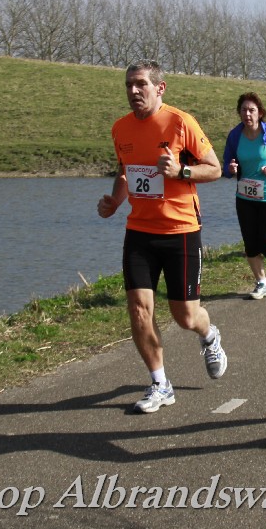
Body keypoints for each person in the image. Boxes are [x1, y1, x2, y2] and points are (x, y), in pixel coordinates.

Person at [96, 60, 228, 413]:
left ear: (160, 87)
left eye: (141, 84)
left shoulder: (181, 122)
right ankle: (160, 384)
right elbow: (125, 172)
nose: (133, 91)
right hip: (139, 231)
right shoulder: (120, 128)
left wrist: (181, 171)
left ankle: (209, 335)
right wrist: (114, 201)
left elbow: (215, 169)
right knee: (139, 310)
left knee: (185, 316)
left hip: (180, 230)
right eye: (129, 85)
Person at [222, 92, 266, 299]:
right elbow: (226, 165)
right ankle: (262, 283)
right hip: (245, 197)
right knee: (250, 245)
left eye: (251, 110)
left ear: (260, 113)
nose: (247, 114)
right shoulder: (235, 135)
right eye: (243, 110)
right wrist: (231, 168)